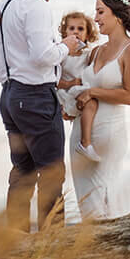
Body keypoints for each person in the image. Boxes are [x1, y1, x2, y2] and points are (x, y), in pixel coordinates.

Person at [0, 0, 84, 232]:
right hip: (35, 98)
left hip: (8, 97)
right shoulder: (35, 5)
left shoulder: (0, 9)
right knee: (52, 172)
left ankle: (15, 240)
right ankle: (52, 247)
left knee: (22, 172)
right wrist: (66, 46)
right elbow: (43, 56)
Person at [69, 0, 130, 221]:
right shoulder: (94, 52)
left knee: (105, 202)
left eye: (101, 12)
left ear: (118, 15)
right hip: (80, 136)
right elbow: (76, 82)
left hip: (109, 135)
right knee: (87, 207)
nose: (95, 18)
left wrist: (93, 91)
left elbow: (129, 95)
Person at [54, 11, 101, 162]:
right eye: (71, 28)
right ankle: (85, 144)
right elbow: (53, 79)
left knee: (92, 102)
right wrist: (69, 83)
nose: (76, 32)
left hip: (79, 93)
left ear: (87, 34)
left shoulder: (88, 54)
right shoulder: (61, 54)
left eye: (80, 29)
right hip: (63, 94)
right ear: (64, 33)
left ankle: (86, 142)